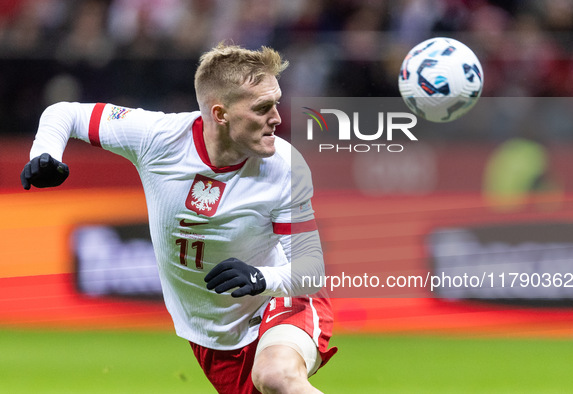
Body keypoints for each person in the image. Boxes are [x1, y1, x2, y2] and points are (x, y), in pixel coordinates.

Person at [20, 43, 337, 394]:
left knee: (276, 377)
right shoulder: (159, 138)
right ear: (220, 114)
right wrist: (45, 153)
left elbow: (310, 271)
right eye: (263, 108)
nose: (277, 117)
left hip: (279, 299)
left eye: (276, 103)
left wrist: (261, 277)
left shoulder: (283, 166)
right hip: (213, 334)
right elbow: (65, 113)